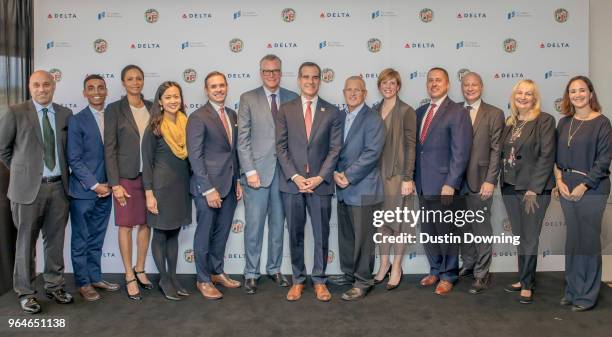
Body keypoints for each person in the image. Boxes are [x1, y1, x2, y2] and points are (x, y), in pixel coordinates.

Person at [0, 70, 73, 313]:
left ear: (53, 86)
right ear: (30, 87)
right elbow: (3, 150)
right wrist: (24, 173)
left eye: (46, 85)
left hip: (59, 189)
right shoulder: (15, 112)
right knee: (24, 245)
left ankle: (55, 286)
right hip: (26, 191)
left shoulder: (65, 114)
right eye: (37, 85)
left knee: (55, 242)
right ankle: (26, 292)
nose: (42, 89)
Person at [276, 62, 342, 302]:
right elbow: (280, 147)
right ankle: (298, 280)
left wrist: (319, 177)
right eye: (306, 77)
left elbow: (335, 149)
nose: (310, 81)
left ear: (320, 80)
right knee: (294, 234)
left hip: (320, 184)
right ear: (299, 80)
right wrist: (295, 176)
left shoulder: (332, 112)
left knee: (321, 234)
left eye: (315, 77)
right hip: (292, 184)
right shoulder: (286, 109)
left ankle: (320, 281)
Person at [237, 55, 298, 294]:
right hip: (257, 175)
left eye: (276, 71)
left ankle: (274, 268)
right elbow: (242, 140)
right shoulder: (248, 98)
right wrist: (250, 171)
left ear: (281, 72)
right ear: (260, 72)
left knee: (277, 225)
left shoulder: (293, 98)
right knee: (253, 226)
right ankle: (251, 273)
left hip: (284, 174)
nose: (271, 75)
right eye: (267, 71)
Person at [555, 76, 611, 311]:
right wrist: (559, 181)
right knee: (574, 241)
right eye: (572, 91)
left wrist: (584, 185)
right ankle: (573, 289)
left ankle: (586, 296)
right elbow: (555, 158)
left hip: (592, 187)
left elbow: (604, 160)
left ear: (590, 93)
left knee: (587, 241)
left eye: (581, 90)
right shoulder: (564, 122)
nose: (577, 95)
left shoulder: (602, 123)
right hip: (566, 184)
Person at [415, 67, 473, 296]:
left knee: (446, 231)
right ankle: (435, 269)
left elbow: (461, 153)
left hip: (444, 185)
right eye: (430, 80)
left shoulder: (457, 112)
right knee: (429, 231)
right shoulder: (420, 112)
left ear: (448, 84)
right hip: (422, 184)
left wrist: (451, 183)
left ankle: (449, 274)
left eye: (438, 80)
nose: (433, 84)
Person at [187, 71, 243, 300]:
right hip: (207, 187)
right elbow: (195, 156)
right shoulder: (198, 117)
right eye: (213, 86)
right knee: (204, 234)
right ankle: (203, 279)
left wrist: (237, 179)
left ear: (227, 86)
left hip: (229, 185)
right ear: (206, 89)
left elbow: (233, 152)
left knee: (221, 234)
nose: (219, 89)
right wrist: (207, 188)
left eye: (222, 85)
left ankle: (217, 271)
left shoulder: (231, 114)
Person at [500, 79, 556, 304]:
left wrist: (534, 189)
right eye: (519, 93)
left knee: (530, 238)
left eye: (528, 94)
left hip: (533, 190)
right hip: (509, 186)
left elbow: (546, 156)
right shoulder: (511, 121)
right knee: (519, 237)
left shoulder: (545, 120)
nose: (523, 97)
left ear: (535, 98)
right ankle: (524, 277)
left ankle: (527, 284)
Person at [329, 76, 385, 300]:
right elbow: (332, 148)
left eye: (357, 90)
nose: (352, 93)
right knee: (347, 236)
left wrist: (348, 176)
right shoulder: (340, 116)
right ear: (343, 92)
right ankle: (349, 273)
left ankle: (363, 281)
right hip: (342, 187)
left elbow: (372, 153)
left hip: (363, 187)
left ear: (365, 94)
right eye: (349, 90)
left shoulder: (373, 119)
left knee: (363, 239)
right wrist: (334, 173)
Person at [67, 74, 119, 302]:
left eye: (100, 87)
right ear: (84, 93)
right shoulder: (77, 120)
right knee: (81, 239)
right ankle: (83, 282)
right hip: (84, 191)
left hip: (107, 190)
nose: (96, 91)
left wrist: (110, 185)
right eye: (91, 88)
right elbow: (74, 159)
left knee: (97, 237)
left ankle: (95, 276)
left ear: (106, 90)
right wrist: (95, 185)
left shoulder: (113, 116)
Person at [104, 64, 153, 300]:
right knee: (126, 226)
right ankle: (128, 274)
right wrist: (115, 183)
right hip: (126, 177)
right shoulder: (114, 109)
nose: (135, 82)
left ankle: (140, 268)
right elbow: (109, 148)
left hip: (150, 178)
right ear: (123, 83)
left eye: (139, 78)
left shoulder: (153, 107)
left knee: (146, 224)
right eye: (130, 79)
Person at [142, 81, 192, 301]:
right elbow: (147, 163)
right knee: (161, 234)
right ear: (160, 102)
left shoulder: (187, 124)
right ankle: (163, 279)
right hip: (160, 190)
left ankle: (173, 276)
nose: (173, 101)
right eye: (168, 97)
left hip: (181, 189)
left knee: (174, 233)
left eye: (176, 96)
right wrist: (149, 193)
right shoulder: (154, 127)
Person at [458, 72, 505, 294]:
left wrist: (490, 180)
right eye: (466, 85)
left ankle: (482, 274)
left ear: (482, 86)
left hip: (481, 180)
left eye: (474, 85)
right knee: (462, 226)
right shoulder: (455, 110)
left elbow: (497, 150)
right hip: (456, 182)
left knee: (481, 228)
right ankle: (468, 264)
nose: (469, 88)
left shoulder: (495, 113)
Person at [371, 68, 417, 290]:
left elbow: (411, 146)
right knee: (382, 224)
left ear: (398, 86)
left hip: (398, 177)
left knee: (399, 225)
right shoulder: (374, 109)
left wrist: (408, 177)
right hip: (376, 176)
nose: (388, 87)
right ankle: (383, 265)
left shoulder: (406, 111)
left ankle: (397, 267)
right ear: (379, 86)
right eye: (384, 83)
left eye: (392, 83)